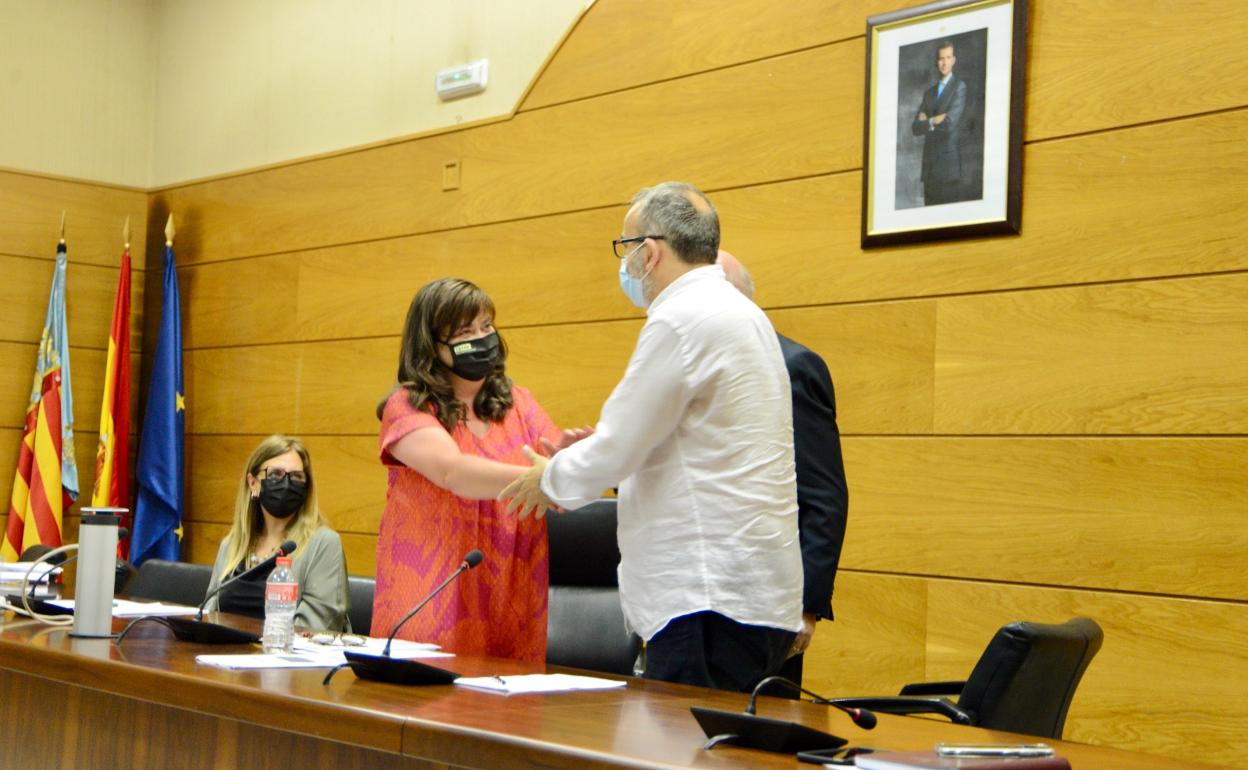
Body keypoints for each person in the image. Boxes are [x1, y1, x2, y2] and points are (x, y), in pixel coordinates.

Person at [501, 182, 803, 693]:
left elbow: (622, 443)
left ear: (651, 252)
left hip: (705, 599)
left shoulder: (680, 318)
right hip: (752, 593)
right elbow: (693, 440)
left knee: (682, 755)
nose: (625, 266)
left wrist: (549, 478)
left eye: (626, 248)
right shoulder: (744, 314)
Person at [374, 277, 572, 664]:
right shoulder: (407, 406)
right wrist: (546, 478)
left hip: (511, 593)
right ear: (432, 345)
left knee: (510, 716)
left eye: (487, 327)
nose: (482, 339)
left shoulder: (518, 402)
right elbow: (453, 472)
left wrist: (575, 462)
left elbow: (557, 472)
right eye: (466, 332)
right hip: (435, 594)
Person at [717, 250, 849, 688]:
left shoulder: (789, 367)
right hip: (689, 599)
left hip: (762, 605)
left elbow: (822, 494)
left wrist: (805, 607)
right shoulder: (691, 370)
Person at [204, 435, 351, 632]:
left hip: (286, 658)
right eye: (276, 474)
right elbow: (208, 613)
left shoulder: (324, 543)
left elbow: (314, 628)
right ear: (253, 483)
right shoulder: (232, 545)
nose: (287, 484)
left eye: (297, 476)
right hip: (224, 656)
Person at [911, 40, 967, 206]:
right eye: (941, 58)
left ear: (953, 60)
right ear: (937, 61)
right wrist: (934, 119)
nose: (944, 62)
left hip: (948, 169)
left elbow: (949, 124)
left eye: (948, 57)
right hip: (930, 169)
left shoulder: (959, 87)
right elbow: (915, 128)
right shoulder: (929, 93)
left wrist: (926, 121)